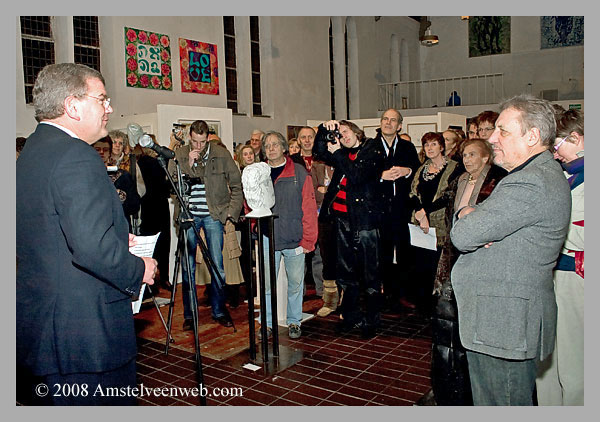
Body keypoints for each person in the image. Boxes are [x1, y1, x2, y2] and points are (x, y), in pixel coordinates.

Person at [16, 63, 157, 405]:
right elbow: (91, 250)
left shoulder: (32, 153)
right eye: (102, 99)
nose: (109, 108)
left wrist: (108, 237)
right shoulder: (77, 156)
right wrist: (141, 270)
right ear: (73, 106)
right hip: (84, 336)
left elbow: (49, 233)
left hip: (46, 330)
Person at [450, 94, 571, 406]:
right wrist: (476, 219)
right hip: (502, 321)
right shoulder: (530, 176)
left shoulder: (529, 182)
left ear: (532, 136)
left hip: (503, 323)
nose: (492, 139)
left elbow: (463, 236)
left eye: (502, 131)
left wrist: (467, 214)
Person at [422, 138, 506, 406]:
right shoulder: (457, 182)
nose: (467, 159)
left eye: (473, 155)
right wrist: (420, 211)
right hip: (451, 254)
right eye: (465, 155)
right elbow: (442, 207)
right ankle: (446, 386)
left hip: (481, 257)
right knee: (445, 321)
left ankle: (471, 388)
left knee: (473, 322)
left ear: (485, 158)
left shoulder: (498, 183)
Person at [314, 119, 386, 339]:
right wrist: (323, 130)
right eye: (339, 134)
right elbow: (318, 151)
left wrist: (338, 154)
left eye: (346, 132)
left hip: (365, 223)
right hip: (341, 221)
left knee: (369, 275)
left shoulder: (372, 149)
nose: (342, 137)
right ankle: (350, 316)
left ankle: (371, 320)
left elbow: (356, 175)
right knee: (346, 274)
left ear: (357, 133)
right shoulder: (341, 153)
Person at [168, 120, 243, 329]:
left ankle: (219, 310)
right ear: (189, 137)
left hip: (214, 215)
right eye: (194, 141)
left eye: (202, 142)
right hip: (188, 216)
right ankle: (190, 315)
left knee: (217, 265)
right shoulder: (180, 154)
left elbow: (237, 185)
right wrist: (188, 164)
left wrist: (230, 213)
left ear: (208, 138)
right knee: (188, 267)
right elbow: (172, 184)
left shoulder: (220, 153)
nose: (198, 146)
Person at [536, 109, 584, 406]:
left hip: (574, 278)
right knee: (548, 362)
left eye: (557, 145)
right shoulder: (568, 175)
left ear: (576, 138)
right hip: (552, 275)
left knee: (574, 360)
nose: (555, 154)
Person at [261, 131, 318, 339]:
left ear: (284, 148)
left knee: (295, 284)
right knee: (266, 285)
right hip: (269, 237)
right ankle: (266, 323)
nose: (271, 148)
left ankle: (294, 321)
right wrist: (256, 229)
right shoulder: (261, 172)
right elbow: (250, 201)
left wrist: (308, 240)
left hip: (295, 239)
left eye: (275, 144)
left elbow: (310, 207)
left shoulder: (299, 173)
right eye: (267, 145)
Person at [407, 132, 461, 315]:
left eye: (433, 144)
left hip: (440, 224)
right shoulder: (422, 169)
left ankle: (436, 306)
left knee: (437, 264)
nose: (429, 148)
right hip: (420, 223)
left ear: (442, 147)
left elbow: (448, 196)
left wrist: (426, 213)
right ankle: (421, 305)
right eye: (426, 145)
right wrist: (420, 213)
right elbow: (413, 193)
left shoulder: (455, 168)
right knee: (420, 264)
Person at [375, 109, 421, 313]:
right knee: (381, 253)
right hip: (379, 210)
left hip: (402, 209)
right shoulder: (370, 146)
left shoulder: (407, 147)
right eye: (385, 119)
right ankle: (382, 294)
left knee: (404, 252)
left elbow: (417, 172)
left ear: (399, 125)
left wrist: (407, 171)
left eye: (393, 120)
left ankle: (400, 294)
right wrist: (381, 175)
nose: (388, 123)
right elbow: (362, 173)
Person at [293, 126, 338, 316]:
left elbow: (329, 186)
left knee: (321, 254)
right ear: (298, 141)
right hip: (300, 213)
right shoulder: (292, 161)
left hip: (323, 213)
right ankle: (299, 292)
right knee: (300, 255)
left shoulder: (325, 158)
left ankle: (322, 291)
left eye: (310, 136)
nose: (307, 140)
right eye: (303, 137)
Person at [137, 136, 173, 291]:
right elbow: (158, 176)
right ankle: (155, 280)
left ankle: (163, 277)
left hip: (160, 205)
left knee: (164, 243)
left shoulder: (154, 162)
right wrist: (171, 144)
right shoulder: (144, 162)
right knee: (152, 243)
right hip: (149, 207)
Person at [93, 136, 141, 233]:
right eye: (97, 149)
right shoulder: (85, 176)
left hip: (119, 228)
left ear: (110, 152)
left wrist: (120, 196)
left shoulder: (123, 176)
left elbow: (135, 206)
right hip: (96, 229)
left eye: (105, 150)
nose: (101, 152)